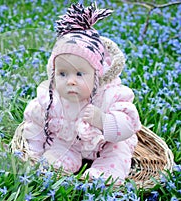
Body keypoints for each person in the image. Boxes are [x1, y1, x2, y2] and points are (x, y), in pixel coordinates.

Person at [20, 2, 141, 183]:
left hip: (106, 142)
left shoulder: (111, 95)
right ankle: (53, 168)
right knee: (56, 151)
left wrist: (102, 120)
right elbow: (35, 124)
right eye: (62, 73)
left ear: (97, 75)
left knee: (118, 150)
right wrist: (34, 153)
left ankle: (102, 177)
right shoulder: (51, 98)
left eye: (79, 73)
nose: (70, 81)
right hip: (70, 142)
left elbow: (128, 125)